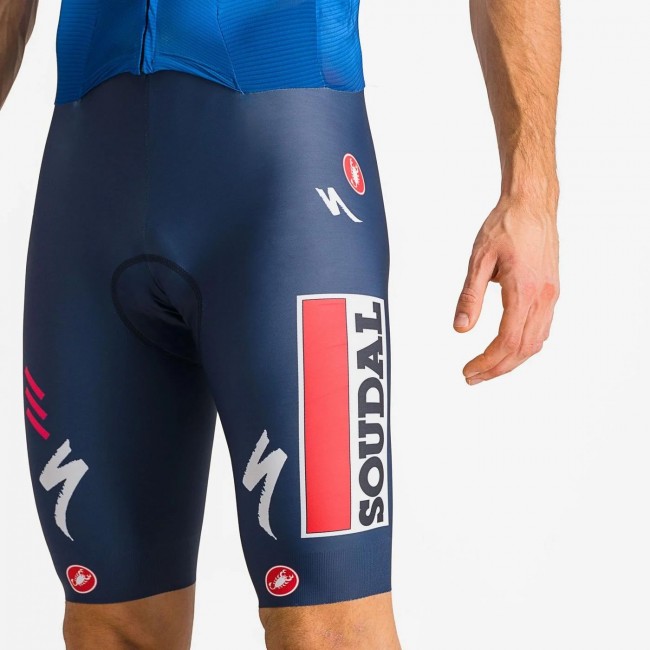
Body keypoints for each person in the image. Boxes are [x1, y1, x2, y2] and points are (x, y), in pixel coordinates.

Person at [1, 1, 561, 648]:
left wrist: (532, 194)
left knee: (331, 627)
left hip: (288, 186)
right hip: (87, 185)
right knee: (110, 624)